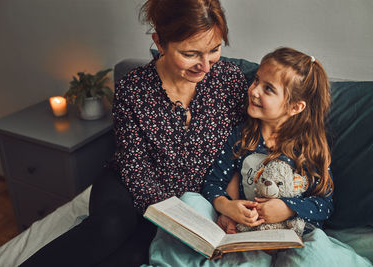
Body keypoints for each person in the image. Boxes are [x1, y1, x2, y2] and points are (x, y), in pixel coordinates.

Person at [20, 0, 249, 266]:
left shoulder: (230, 81)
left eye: (214, 50)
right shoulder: (134, 87)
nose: (206, 66)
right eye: (190, 54)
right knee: (109, 229)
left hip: (190, 202)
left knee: (131, 256)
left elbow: (240, 151)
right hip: (130, 186)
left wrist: (224, 203)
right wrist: (170, 214)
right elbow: (134, 164)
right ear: (160, 43)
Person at [145, 47, 372, 267]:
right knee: (189, 201)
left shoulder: (309, 148)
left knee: (313, 253)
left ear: (295, 107)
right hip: (246, 235)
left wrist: (288, 207)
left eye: (268, 89)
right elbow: (214, 183)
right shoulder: (241, 137)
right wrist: (227, 206)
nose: (254, 91)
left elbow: (324, 203)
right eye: (256, 81)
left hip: (292, 237)